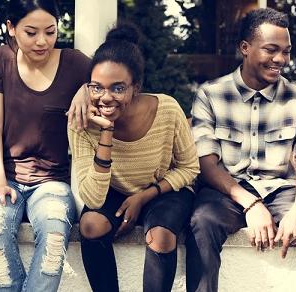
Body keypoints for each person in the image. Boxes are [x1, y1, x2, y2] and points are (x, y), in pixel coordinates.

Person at [187, 8, 296, 292]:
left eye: (286, 52)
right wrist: (251, 204)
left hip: (281, 191)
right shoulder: (211, 94)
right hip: (228, 191)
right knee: (202, 220)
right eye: (271, 50)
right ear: (245, 48)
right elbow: (206, 164)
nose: (280, 60)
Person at [69, 23, 200, 292]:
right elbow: (93, 199)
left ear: (135, 87)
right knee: (91, 225)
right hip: (113, 190)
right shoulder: (82, 123)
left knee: (161, 237)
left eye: (118, 88)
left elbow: (189, 168)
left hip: (164, 189)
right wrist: (106, 132)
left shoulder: (167, 109)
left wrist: (144, 196)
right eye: (97, 87)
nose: (106, 98)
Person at [0, 0, 90, 291]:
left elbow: (113, 82)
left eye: (50, 32)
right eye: (31, 32)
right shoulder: (2, 58)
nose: (42, 41)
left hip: (52, 181)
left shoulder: (76, 63)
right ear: (12, 28)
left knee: (54, 237)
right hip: (5, 175)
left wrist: (88, 89)